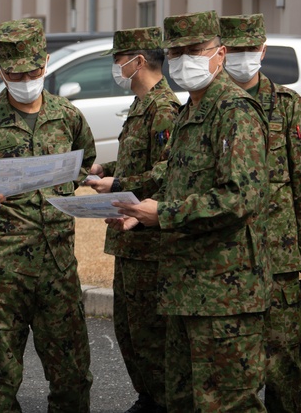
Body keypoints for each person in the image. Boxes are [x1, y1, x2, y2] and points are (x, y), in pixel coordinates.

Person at [111, 10, 271, 412]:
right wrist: (138, 212)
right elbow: (178, 183)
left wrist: (162, 213)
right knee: (181, 400)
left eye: (195, 50)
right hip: (184, 288)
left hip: (225, 292)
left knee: (229, 403)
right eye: (176, 51)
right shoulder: (188, 113)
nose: (185, 60)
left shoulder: (235, 111)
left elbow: (239, 197)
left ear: (220, 53)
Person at [0, 17, 96, 412]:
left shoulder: (68, 117)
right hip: (3, 271)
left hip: (59, 267)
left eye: (33, 71)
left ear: (45, 63)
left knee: (73, 374)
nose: (26, 79)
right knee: (0, 378)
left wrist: (69, 188)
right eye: (15, 73)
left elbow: (83, 161)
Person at [219, 14, 301, 413]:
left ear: (262, 51)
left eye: (251, 50)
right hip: (225, 257)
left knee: (282, 358)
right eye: (236, 50)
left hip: (277, 255)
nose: (244, 58)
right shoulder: (209, 105)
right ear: (222, 54)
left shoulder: (287, 105)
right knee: (231, 360)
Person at [83, 27, 178, 413]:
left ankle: (161, 401)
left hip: (150, 243)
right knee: (129, 330)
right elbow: (141, 162)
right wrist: (105, 169)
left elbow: (168, 171)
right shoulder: (141, 105)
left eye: (117, 60)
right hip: (130, 241)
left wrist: (119, 183)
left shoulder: (164, 108)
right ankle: (148, 398)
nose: (115, 68)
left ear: (138, 61)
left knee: (150, 334)